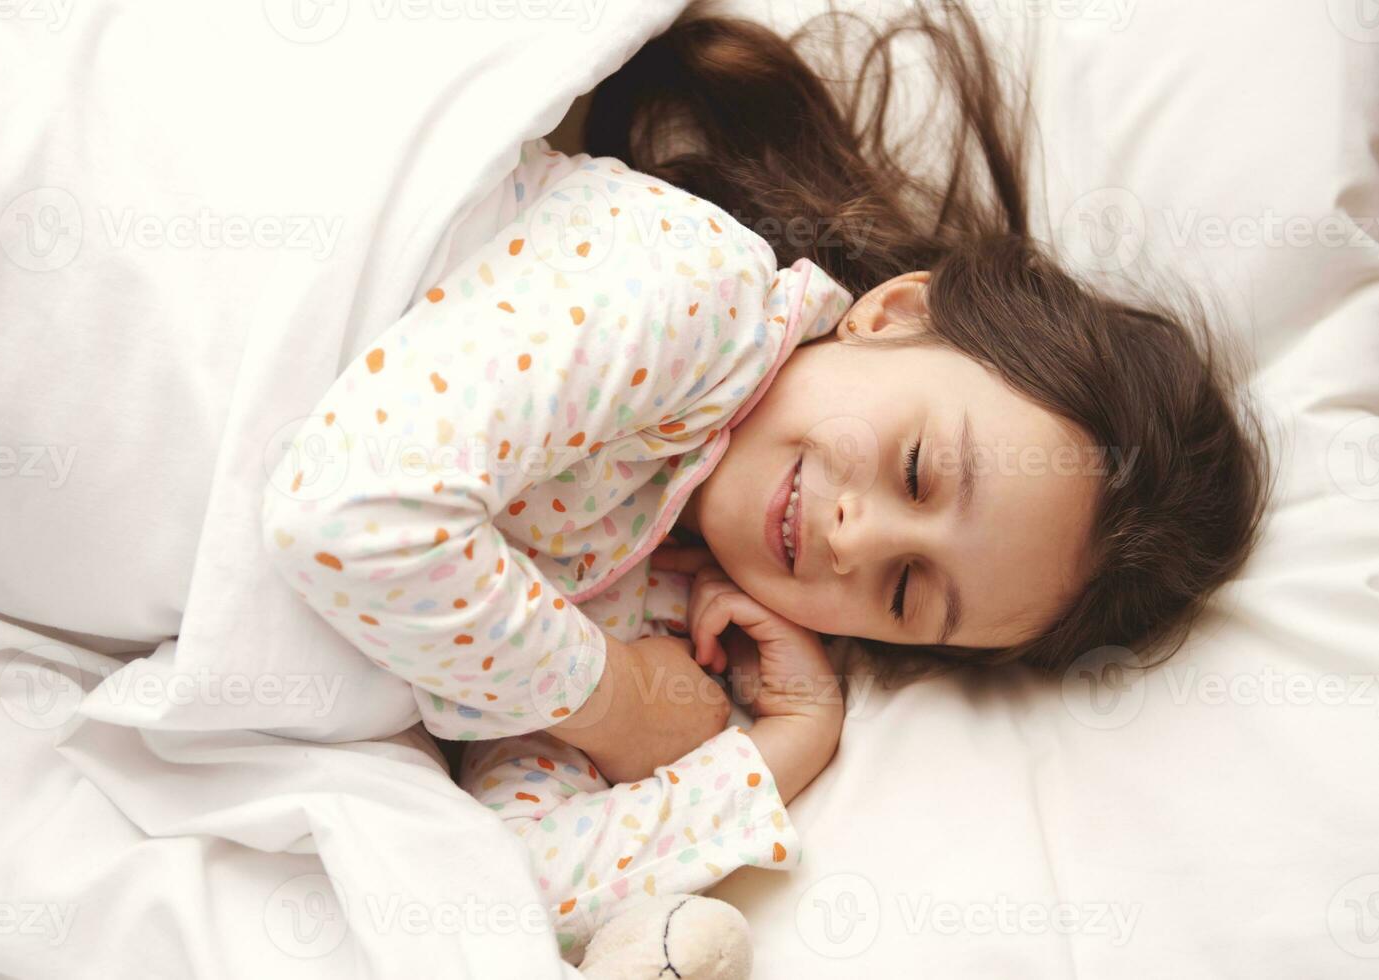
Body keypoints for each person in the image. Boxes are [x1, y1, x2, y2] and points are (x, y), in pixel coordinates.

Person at [261, 0, 1269, 961]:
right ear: (894, 313)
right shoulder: (690, 285)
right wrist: (612, 704)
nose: (856, 539)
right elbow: (350, 510)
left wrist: (786, 742)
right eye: (917, 471)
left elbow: (489, 884)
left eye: (907, 592)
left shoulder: (653, 607)